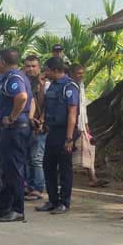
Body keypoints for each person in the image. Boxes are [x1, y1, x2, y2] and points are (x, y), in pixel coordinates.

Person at [0, 49, 32, 223]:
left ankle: (17, 209)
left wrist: (12, 117)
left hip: (15, 129)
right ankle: (5, 206)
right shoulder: (8, 78)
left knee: (14, 170)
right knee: (7, 170)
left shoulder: (13, 77)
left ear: (2, 62)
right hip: (7, 129)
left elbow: (21, 97)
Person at [36, 57, 79, 214]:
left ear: (55, 70)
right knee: (48, 166)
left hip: (65, 131)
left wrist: (69, 138)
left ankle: (64, 202)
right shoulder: (52, 85)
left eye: (46, 69)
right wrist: (41, 87)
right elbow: (43, 106)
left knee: (65, 168)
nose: (44, 72)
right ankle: (52, 200)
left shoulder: (69, 86)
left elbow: (72, 113)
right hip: (52, 131)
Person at [69, 63, 108, 187]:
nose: (81, 76)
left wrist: (85, 123)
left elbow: (83, 106)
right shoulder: (69, 86)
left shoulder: (81, 85)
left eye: (82, 73)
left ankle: (93, 178)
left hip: (81, 124)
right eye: (78, 73)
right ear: (71, 74)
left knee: (88, 149)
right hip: (72, 125)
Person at [23, 54, 48, 200]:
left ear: (39, 67)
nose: (30, 69)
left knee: (37, 158)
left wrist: (42, 120)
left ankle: (38, 188)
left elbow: (47, 105)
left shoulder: (45, 83)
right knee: (27, 158)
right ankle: (29, 186)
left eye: (33, 66)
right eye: (28, 66)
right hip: (26, 125)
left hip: (40, 126)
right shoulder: (24, 81)